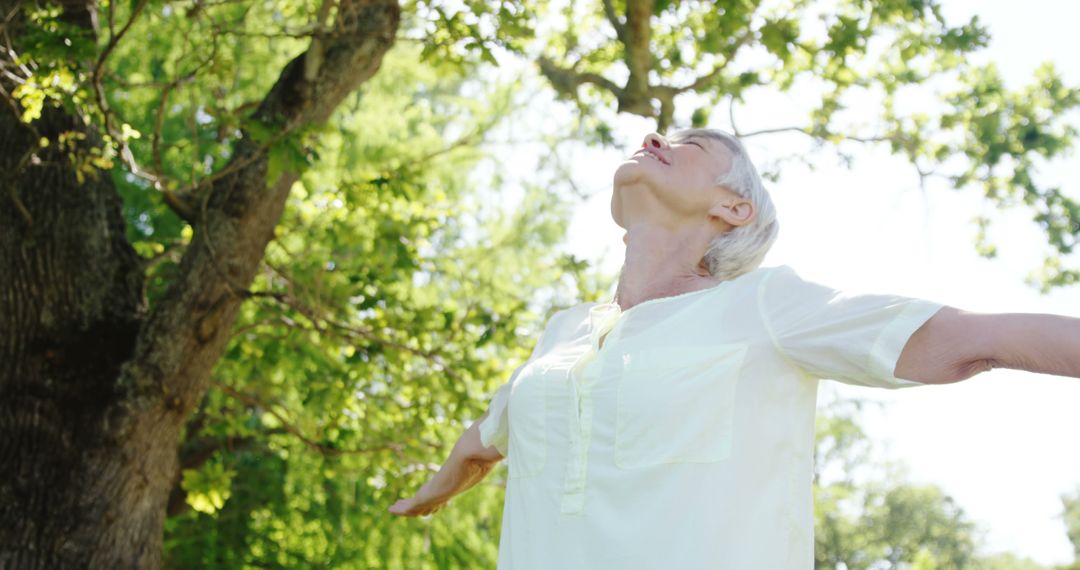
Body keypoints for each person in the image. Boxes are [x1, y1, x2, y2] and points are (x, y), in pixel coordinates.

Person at [388, 128, 1080, 568]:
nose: (656, 136)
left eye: (690, 145)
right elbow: (488, 434)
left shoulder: (763, 307)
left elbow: (978, 338)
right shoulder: (563, 333)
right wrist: (434, 486)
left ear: (733, 209)